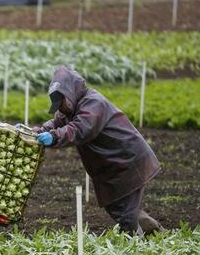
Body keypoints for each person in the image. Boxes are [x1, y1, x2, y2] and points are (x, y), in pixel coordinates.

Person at [34, 65, 164, 236]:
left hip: (129, 159)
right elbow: (57, 123)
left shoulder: (94, 103)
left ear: (70, 93)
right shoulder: (69, 109)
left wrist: (55, 137)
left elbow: (80, 129)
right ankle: (156, 234)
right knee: (118, 209)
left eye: (62, 102)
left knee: (127, 214)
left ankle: (137, 247)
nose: (61, 108)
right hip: (113, 165)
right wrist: (39, 130)